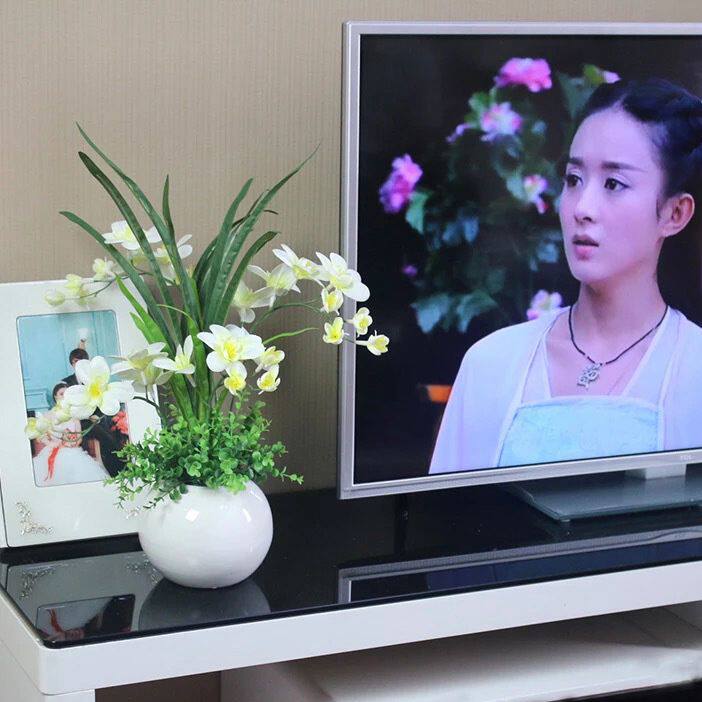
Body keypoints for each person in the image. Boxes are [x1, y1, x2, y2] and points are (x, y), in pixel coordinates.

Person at [430, 77, 702, 474]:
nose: (582, 208)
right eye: (573, 180)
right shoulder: (491, 364)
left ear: (674, 213)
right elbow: (445, 513)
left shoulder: (694, 370)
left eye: (614, 183)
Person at [62, 346, 124, 477]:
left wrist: (97, 416)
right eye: (75, 361)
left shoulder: (96, 377)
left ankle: (117, 466)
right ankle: (119, 465)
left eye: (81, 360)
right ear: (71, 364)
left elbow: (105, 399)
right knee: (105, 435)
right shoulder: (66, 383)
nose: (78, 364)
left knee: (111, 429)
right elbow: (68, 405)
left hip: (99, 416)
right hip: (80, 421)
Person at [32, 383, 111, 487]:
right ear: (55, 396)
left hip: (72, 449)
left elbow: (79, 437)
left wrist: (72, 443)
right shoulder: (48, 415)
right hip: (53, 449)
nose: (64, 396)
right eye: (61, 394)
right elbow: (41, 436)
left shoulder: (74, 415)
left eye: (67, 394)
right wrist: (51, 444)